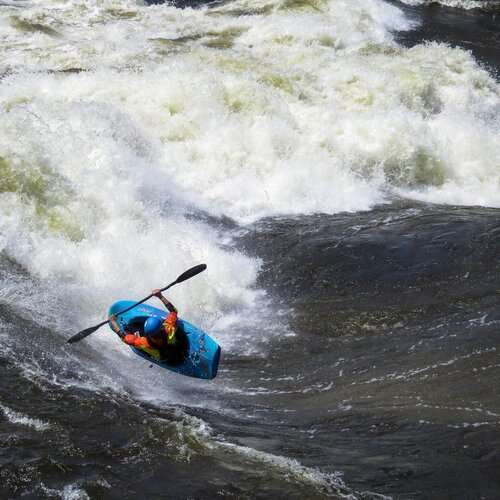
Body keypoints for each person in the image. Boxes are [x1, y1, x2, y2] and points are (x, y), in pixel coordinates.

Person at [109, 290, 182, 363]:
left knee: (130, 329)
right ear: (161, 327)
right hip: (173, 348)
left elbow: (124, 337)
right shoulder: (169, 330)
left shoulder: (143, 343)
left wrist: (113, 322)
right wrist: (160, 296)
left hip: (161, 356)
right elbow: (173, 311)